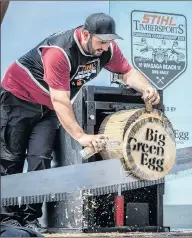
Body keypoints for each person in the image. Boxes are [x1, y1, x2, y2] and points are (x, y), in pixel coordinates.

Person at [0, 13, 160, 233]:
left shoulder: (109, 49)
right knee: (11, 159)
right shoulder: (59, 52)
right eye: (101, 42)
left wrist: (146, 87)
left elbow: (127, 72)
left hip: (48, 107)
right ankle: (6, 219)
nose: (105, 47)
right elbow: (61, 101)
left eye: (109, 41)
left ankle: (30, 219)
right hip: (18, 98)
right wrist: (82, 136)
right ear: (86, 34)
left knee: (40, 160)